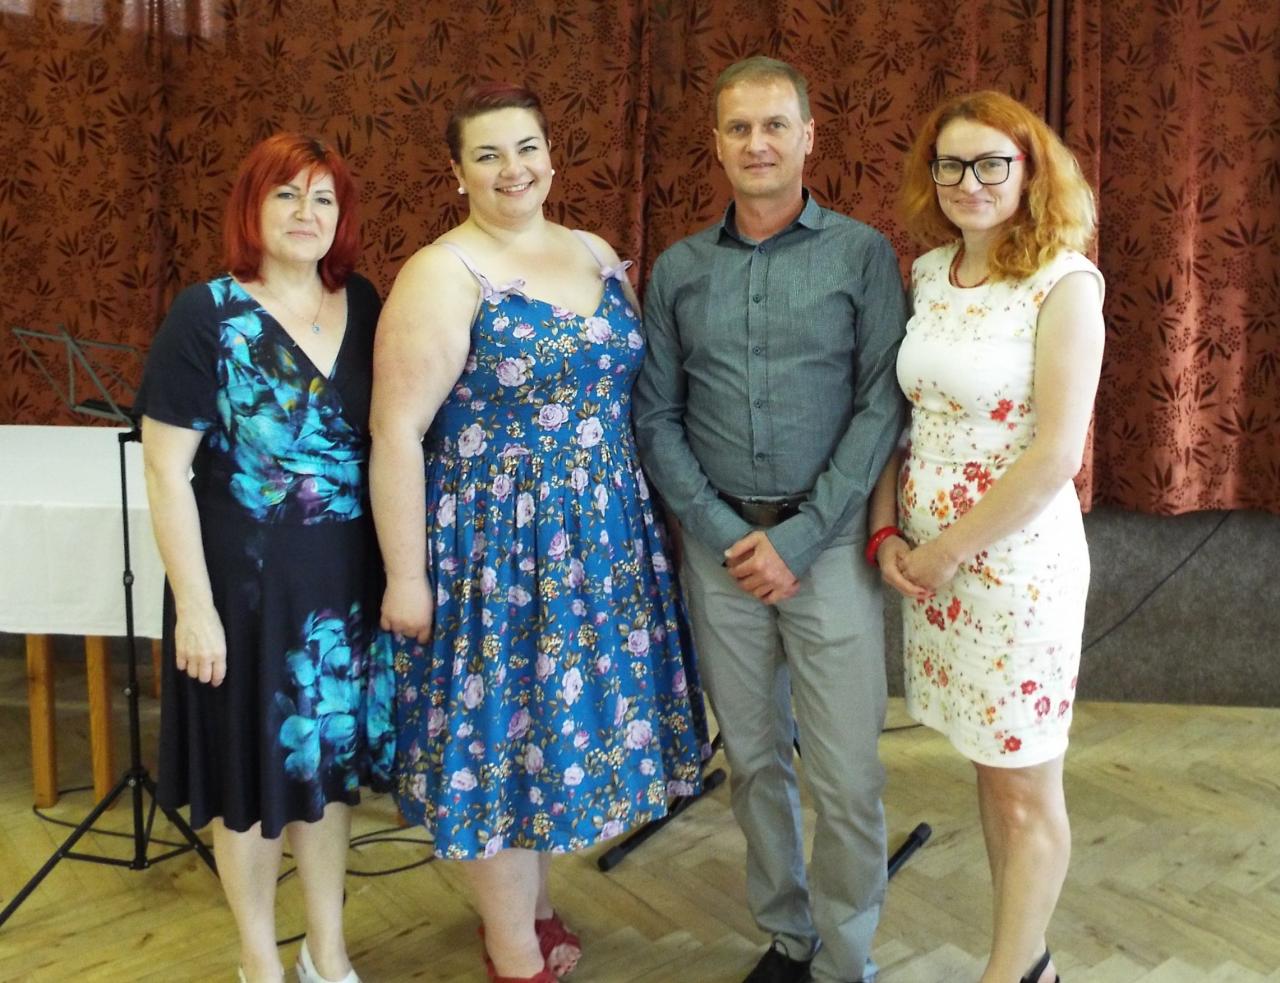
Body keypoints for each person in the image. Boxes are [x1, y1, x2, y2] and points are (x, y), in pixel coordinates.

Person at [370, 82, 705, 983]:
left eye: (525, 148)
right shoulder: (443, 272)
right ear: (457, 174)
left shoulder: (593, 251)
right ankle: (513, 949)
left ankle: (533, 907)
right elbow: (395, 430)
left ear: (551, 157)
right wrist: (406, 576)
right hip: (496, 549)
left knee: (548, 735)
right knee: (499, 738)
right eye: (486, 154)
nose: (511, 168)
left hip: (601, 535)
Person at [634, 56, 908, 983]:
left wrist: (799, 536)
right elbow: (656, 418)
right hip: (721, 559)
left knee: (846, 776)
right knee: (753, 761)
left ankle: (846, 957)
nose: (758, 144)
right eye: (740, 128)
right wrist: (723, 534)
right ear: (717, 144)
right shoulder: (679, 269)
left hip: (827, 549)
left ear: (808, 137)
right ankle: (790, 936)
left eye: (775, 125)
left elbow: (881, 407)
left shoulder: (861, 255)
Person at [137, 133, 393, 983]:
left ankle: (328, 951)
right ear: (252, 207)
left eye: (323, 198)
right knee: (249, 783)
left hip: (343, 588)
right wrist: (194, 608)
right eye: (286, 194)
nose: (305, 213)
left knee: (326, 777)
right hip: (239, 595)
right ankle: (259, 961)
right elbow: (165, 472)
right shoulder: (205, 314)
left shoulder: (364, 299)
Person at [868, 90, 1105, 983]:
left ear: (1029, 170)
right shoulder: (930, 273)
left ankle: (1013, 972)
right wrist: (888, 530)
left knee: (1025, 780)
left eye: (992, 163)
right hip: (933, 568)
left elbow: (1055, 455)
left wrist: (946, 549)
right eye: (951, 164)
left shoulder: (1064, 282)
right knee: (991, 767)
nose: (970, 181)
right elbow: (904, 420)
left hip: (1013, 570)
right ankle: (1026, 962)